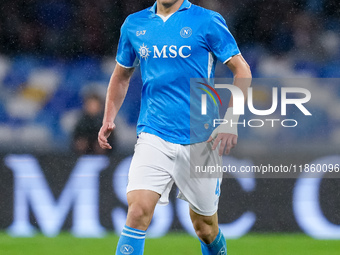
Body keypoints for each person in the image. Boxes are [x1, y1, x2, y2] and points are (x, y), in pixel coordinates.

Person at [98, 0, 252, 254]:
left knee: (205, 227)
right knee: (137, 211)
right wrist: (108, 117)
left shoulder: (207, 21)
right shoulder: (135, 24)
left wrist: (230, 120)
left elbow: (242, 71)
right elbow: (121, 75)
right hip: (154, 134)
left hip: (201, 140)